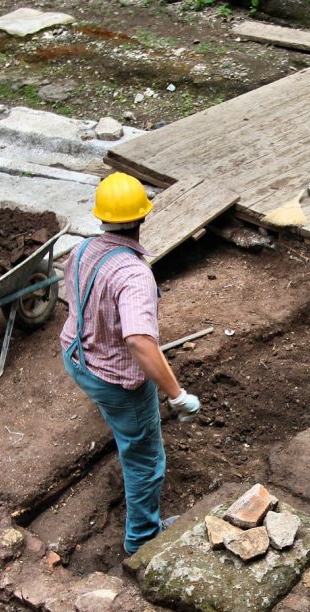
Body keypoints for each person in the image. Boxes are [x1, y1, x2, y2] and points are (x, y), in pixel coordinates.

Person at [60, 173, 201, 554]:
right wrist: (176, 394)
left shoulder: (83, 249)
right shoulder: (135, 274)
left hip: (76, 356)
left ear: (101, 216)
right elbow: (139, 341)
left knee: (123, 424)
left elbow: (71, 294)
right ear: (143, 217)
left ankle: (115, 418)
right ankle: (142, 539)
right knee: (145, 458)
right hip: (113, 378)